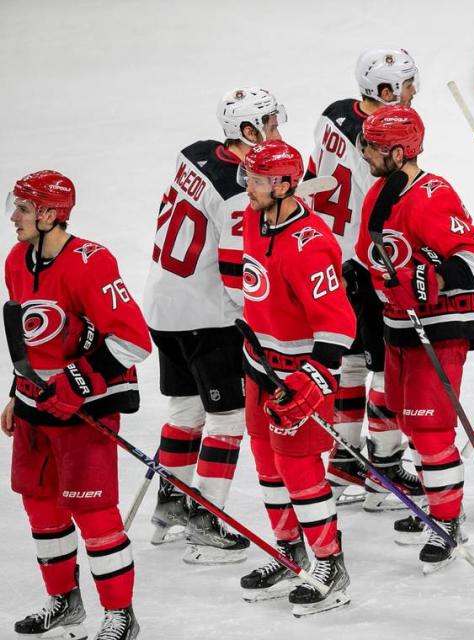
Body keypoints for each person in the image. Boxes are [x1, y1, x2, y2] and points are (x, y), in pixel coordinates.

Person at [4, 170, 151, 639]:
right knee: (42, 507)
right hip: (34, 409)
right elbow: (30, 336)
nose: (14, 217)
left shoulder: (91, 261)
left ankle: (120, 615)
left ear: (49, 214)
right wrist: (15, 390)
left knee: (93, 512)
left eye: (23, 209)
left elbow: (133, 341)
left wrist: (74, 382)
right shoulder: (15, 260)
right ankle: (65, 602)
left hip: (83, 409)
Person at [143, 86, 286, 562]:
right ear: (248, 131)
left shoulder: (197, 154)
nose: (276, 132)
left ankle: (170, 506)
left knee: (185, 412)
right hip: (207, 317)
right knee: (226, 417)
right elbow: (235, 273)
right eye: (268, 124)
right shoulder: (238, 194)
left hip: (163, 305)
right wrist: (258, 320)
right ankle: (206, 520)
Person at [353, 105, 474, 571]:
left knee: (430, 430)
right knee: (408, 421)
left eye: (372, 146)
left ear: (397, 151)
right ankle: (438, 502)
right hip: (397, 326)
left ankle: (448, 522)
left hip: (440, 325)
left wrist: (431, 276)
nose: (364, 152)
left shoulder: (432, 194)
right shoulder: (378, 190)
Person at [236, 140, 355, 614]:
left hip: (297, 376)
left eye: (260, 180)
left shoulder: (311, 244)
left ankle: (331, 563)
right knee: (267, 466)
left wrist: (313, 380)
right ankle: (290, 553)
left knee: (300, 471)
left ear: (285, 185)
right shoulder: (252, 218)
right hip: (258, 367)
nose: (250, 188)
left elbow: (339, 324)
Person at [304, 48, 423, 510]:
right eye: (408, 84)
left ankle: (344, 459)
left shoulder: (333, 115)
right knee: (386, 361)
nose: (415, 91)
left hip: (328, 254)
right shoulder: (379, 137)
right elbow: (389, 195)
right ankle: (384, 470)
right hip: (363, 259)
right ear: (387, 91)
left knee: (352, 360)